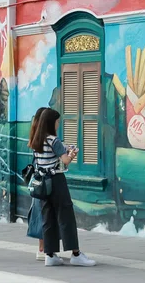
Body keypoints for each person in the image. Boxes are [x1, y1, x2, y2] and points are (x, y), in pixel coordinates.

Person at [28, 108, 96, 267]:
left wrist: (65, 148)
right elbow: (65, 161)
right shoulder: (53, 140)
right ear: (52, 122)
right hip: (56, 180)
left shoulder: (37, 139)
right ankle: (76, 254)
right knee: (66, 216)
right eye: (58, 121)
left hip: (42, 184)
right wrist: (72, 154)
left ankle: (50, 254)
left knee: (48, 218)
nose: (58, 124)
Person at [26, 108, 49, 260]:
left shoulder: (35, 137)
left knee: (39, 212)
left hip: (37, 181)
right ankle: (44, 249)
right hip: (44, 181)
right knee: (44, 213)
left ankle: (43, 248)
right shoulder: (46, 139)